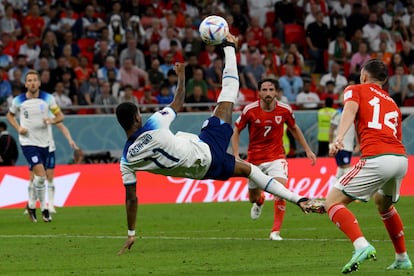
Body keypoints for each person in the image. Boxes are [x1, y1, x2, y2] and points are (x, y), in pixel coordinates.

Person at [115, 33, 324, 255]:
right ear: (138, 118)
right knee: (229, 97)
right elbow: (178, 101)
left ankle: (294, 200)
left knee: (248, 170)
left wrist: (131, 233)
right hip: (207, 153)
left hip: (202, 167)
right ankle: (229, 47)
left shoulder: (126, 160)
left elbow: (131, 198)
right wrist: (182, 76)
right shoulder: (155, 123)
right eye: (139, 113)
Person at [326, 59, 412, 273]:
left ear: (364, 75)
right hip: (400, 159)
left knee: (332, 202)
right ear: (384, 80)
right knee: (383, 204)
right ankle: (402, 257)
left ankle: (361, 245)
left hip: (377, 157)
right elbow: (397, 136)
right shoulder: (392, 103)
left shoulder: (355, 89)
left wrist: (339, 137)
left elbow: (350, 110)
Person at [231, 78, 317, 241]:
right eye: (264, 90)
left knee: (280, 191)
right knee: (253, 198)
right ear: (259, 93)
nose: (268, 93)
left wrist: (307, 149)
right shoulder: (250, 110)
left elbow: (294, 128)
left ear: (276, 92)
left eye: (271, 89)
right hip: (254, 160)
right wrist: (236, 155)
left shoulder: (284, 109)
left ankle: (275, 232)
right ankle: (260, 201)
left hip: (276, 157)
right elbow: (236, 130)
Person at [7, 70, 64, 223]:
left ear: (39, 83)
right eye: (29, 80)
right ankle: (44, 209)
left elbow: (60, 116)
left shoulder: (48, 99)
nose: (32, 83)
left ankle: (32, 205)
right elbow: (9, 115)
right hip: (28, 142)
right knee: (41, 175)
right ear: (26, 84)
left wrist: (51, 121)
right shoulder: (18, 100)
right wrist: (18, 128)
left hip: (45, 143)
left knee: (39, 179)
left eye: (34, 80)